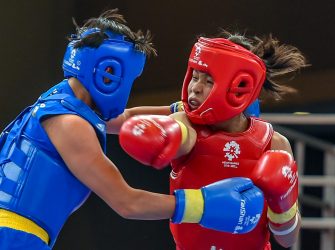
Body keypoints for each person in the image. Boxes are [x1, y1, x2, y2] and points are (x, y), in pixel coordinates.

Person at [0, 10, 265, 250]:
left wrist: (186, 111)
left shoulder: (60, 102)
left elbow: (125, 118)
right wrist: (204, 205)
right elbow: (127, 202)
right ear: (109, 72)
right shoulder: (71, 125)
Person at [119, 31, 308, 249]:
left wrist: (282, 205)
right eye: (195, 76)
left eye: (208, 80)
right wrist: (161, 134)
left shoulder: (274, 143)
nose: (195, 87)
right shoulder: (185, 124)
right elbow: (180, 135)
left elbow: (288, 240)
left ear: (238, 89)